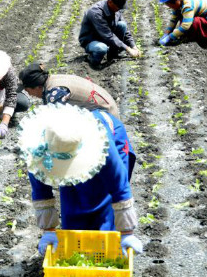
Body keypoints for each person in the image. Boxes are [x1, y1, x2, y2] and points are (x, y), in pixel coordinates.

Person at [18, 103, 142, 256]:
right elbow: (41, 190)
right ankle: (77, 247)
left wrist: (127, 232)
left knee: (101, 199)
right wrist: (48, 230)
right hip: (65, 147)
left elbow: (119, 187)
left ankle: (107, 246)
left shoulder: (104, 146)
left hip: (111, 136)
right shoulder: (38, 151)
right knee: (72, 203)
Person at [18, 63, 119, 118]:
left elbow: (55, 123)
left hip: (107, 117)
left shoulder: (55, 93)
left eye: (28, 90)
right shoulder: (51, 80)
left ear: (37, 87)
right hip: (103, 109)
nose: (30, 95)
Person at [79, 0, 141, 69]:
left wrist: (134, 47)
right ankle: (92, 60)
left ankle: (113, 55)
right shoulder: (96, 12)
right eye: (118, 7)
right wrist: (128, 50)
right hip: (92, 40)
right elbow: (108, 35)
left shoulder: (116, 9)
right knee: (101, 48)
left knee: (122, 25)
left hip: (106, 37)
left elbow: (126, 32)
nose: (119, 9)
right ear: (110, 2)